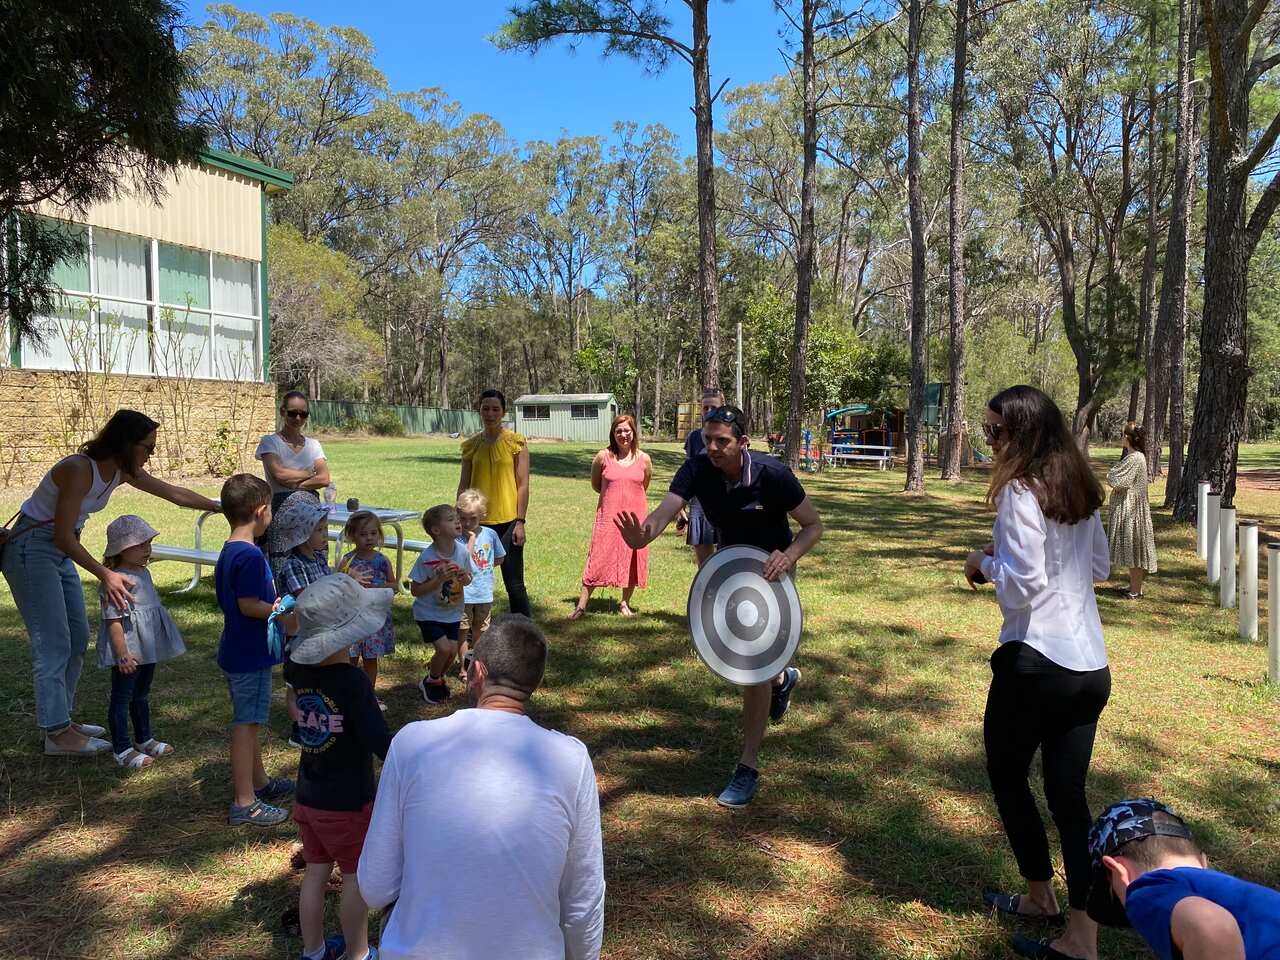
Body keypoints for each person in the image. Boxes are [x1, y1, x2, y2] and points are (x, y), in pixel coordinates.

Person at [357, 615, 604, 960]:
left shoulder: (411, 743)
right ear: (534, 682)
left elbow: (375, 887)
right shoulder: (571, 759)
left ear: (478, 673)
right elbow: (583, 900)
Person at [963, 385, 1110, 960]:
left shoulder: (1021, 492)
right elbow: (1097, 566)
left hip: (1036, 660)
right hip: (1090, 666)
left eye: (995, 432)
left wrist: (982, 563)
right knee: (1069, 799)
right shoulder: (1080, 488)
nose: (990, 441)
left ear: (1021, 435)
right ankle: (1081, 934)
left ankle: (1040, 896)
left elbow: (1024, 584)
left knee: (1006, 774)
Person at [615, 405, 823, 808]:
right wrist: (643, 537)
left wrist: (790, 555)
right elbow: (663, 512)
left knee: (751, 671)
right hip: (731, 572)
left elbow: (813, 526)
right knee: (758, 667)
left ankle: (747, 766)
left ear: (742, 442)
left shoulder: (772, 474)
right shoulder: (696, 469)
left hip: (773, 574)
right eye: (708, 439)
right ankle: (783, 680)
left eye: (721, 441)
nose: (712, 447)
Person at [2, 409, 219, 757]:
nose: (151, 454)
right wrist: (105, 573)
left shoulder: (120, 471)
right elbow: (60, 535)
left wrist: (218, 506)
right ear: (126, 443)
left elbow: (171, 493)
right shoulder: (78, 469)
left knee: (76, 637)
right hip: (34, 549)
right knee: (54, 641)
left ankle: (63, 720)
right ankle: (56, 734)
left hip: (60, 548)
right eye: (147, 447)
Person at [291, 574, 395, 960]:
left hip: (309, 796)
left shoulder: (301, 674)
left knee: (316, 872)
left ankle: (313, 951)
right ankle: (358, 953)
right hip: (347, 802)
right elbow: (376, 737)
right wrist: (405, 758)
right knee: (354, 877)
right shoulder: (353, 682)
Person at [1086, 798, 1280, 959]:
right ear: (1204, 862)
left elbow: (1211, 927)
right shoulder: (1244, 897)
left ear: (1119, 871)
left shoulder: (1147, 888)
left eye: (1116, 896)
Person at [215, 473, 295, 827]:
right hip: (249, 652)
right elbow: (249, 604)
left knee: (251, 720)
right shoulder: (248, 556)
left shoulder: (231, 549)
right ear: (262, 511)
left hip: (240, 649)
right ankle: (244, 801)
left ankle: (259, 783)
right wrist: (281, 609)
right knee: (246, 725)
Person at [96, 515, 186, 770]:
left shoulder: (143, 572)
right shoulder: (115, 579)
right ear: (121, 549)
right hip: (129, 652)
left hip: (147, 648)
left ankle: (143, 739)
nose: (147, 549)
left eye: (149, 543)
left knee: (141, 695)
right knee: (122, 699)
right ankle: (122, 748)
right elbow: (113, 620)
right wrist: (122, 654)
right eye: (140, 544)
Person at [571, 414, 652, 620]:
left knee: (632, 557)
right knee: (597, 556)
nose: (623, 435)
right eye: (619, 431)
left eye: (627, 430)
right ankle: (581, 606)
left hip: (635, 517)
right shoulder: (603, 456)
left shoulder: (644, 459)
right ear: (613, 434)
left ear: (633, 432)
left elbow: (644, 485)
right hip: (608, 517)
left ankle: (625, 603)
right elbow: (597, 485)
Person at [458, 389, 531, 617]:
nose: (490, 413)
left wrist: (520, 521)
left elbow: (523, 484)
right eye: (485, 408)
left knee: (514, 583)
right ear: (479, 409)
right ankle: (469, 630)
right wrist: (458, 517)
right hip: (475, 523)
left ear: (503, 412)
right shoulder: (471, 445)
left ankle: (524, 628)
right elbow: (463, 484)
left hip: (508, 521)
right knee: (470, 577)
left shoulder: (515, 442)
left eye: (495, 409)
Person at [271, 494, 334, 748]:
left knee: (316, 681)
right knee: (296, 685)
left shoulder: (318, 559)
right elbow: (307, 597)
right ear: (302, 535)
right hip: (298, 636)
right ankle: (298, 728)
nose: (325, 534)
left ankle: (316, 720)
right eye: (319, 530)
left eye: (325, 528)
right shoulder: (293, 565)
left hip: (319, 632)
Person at [410, 504, 474, 705]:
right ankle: (433, 681)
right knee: (444, 649)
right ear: (436, 530)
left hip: (452, 612)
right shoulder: (427, 557)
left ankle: (434, 679)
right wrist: (437, 581)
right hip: (428, 613)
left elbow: (469, 578)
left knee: (453, 650)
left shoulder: (462, 552)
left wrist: (465, 577)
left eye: (457, 517)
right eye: (451, 519)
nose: (457, 521)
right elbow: (415, 590)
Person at [339, 511, 396, 709]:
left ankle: (369, 695)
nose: (369, 538)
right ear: (352, 536)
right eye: (363, 534)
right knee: (350, 658)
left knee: (371, 659)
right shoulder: (347, 560)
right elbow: (337, 584)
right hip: (353, 619)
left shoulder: (382, 560)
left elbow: (394, 585)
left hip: (375, 619)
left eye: (373, 533)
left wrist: (377, 588)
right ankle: (348, 694)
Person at [455, 489, 505, 681]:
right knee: (462, 630)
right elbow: (459, 561)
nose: (467, 524)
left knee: (481, 631)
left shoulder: (490, 534)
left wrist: (484, 566)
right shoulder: (456, 538)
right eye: (462, 518)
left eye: (472, 519)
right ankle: (463, 667)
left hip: (484, 593)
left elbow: (499, 557)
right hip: (462, 594)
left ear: (482, 515)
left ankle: (476, 664)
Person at [256, 391, 332, 512]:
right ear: (282, 411)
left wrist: (295, 485)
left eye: (303, 414)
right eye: (292, 413)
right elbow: (280, 474)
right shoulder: (269, 442)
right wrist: (309, 474)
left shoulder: (313, 445)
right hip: (281, 508)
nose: (298, 418)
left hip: (312, 507)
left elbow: (324, 479)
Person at [1106, 422, 1158, 600]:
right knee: (1133, 550)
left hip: (1133, 510)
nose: (1121, 438)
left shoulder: (1135, 458)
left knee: (1135, 550)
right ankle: (1134, 587)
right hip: (1132, 507)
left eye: (1122, 435)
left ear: (1127, 438)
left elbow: (1119, 480)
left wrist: (1110, 475)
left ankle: (1136, 591)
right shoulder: (1134, 457)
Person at [677, 388, 724, 567]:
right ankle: (706, 595)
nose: (709, 412)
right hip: (700, 504)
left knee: (727, 561)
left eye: (714, 407)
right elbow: (689, 473)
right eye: (705, 408)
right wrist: (680, 506)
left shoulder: (732, 436)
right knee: (705, 568)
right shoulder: (694, 437)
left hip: (726, 502)